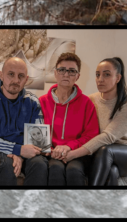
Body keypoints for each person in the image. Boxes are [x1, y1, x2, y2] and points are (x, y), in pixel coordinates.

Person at [59, 57, 127, 185]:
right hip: (100, 153)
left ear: (118, 78)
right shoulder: (91, 99)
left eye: (107, 75)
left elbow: (107, 137)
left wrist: (74, 154)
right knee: (112, 172)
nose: (100, 79)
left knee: (106, 150)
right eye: (97, 75)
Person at [0, 57, 49, 186]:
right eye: (11, 74)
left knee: (40, 164)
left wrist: (21, 153)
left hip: (25, 150)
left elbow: (39, 141)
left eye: (21, 76)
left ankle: (31, 205)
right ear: (1, 75)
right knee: (7, 166)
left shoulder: (33, 101)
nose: (16, 80)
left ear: (26, 80)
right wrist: (17, 150)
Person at [39, 52, 99, 186]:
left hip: (77, 153)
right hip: (51, 154)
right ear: (55, 73)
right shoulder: (41, 102)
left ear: (77, 76)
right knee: (55, 168)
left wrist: (68, 147)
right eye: (62, 70)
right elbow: (36, 133)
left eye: (71, 71)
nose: (66, 74)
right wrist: (51, 151)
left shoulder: (86, 104)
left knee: (74, 170)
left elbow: (91, 135)